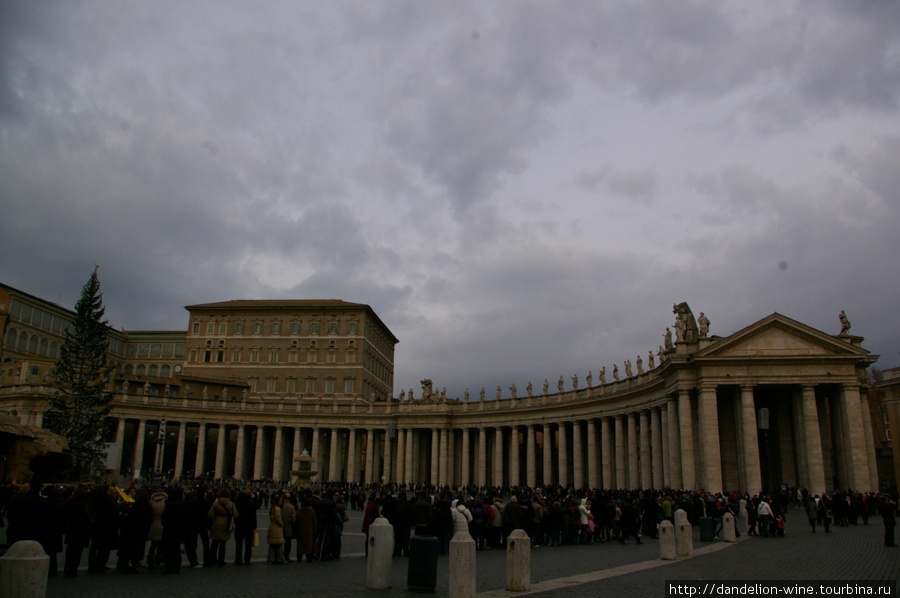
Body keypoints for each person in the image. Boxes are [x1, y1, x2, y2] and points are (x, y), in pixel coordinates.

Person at [161, 487, 190, 574]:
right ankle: (177, 567)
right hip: (180, 530)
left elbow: (164, 519)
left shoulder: (169, 505)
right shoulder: (184, 505)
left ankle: (169, 567)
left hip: (169, 530)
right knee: (177, 549)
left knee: (169, 549)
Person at [208, 488, 237, 567]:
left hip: (216, 524)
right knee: (222, 544)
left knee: (214, 543)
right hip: (226, 525)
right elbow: (236, 515)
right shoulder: (231, 504)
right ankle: (221, 561)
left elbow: (210, 514)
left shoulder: (216, 503)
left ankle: (211, 560)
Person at [234, 488, 257, 566]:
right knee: (248, 545)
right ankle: (247, 560)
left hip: (239, 526)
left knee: (238, 544)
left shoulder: (236, 504)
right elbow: (255, 512)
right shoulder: (251, 504)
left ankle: (238, 559)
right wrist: (254, 498)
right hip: (249, 527)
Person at [266, 494, 285, 564]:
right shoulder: (277, 509)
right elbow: (278, 518)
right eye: (280, 501)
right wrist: (282, 524)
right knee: (279, 544)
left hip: (272, 527)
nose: (281, 502)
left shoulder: (272, 508)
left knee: (272, 545)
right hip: (276, 528)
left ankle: (271, 559)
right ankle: (280, 559)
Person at [282, 491, 297, 562]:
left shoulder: (279, 505)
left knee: (278, 543)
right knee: (287, 544)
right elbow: (293, 519)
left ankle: (277, 556)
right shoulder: (291, 507)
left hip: (279, 527)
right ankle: (286, 556)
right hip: (288, 527)